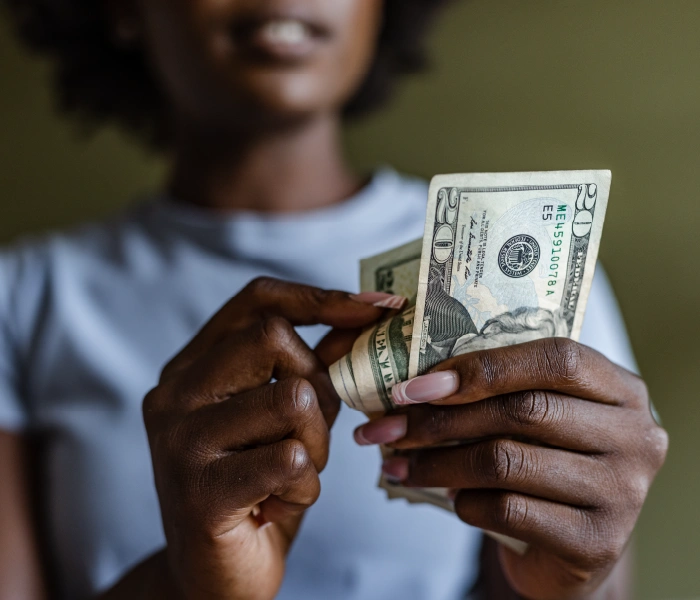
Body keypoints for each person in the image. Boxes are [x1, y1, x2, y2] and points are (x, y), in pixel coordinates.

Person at [0, 1, 667, 599]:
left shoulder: (540, 281)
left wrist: (569, 588)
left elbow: (556, 576)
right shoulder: (23, 299)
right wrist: (184, 585)